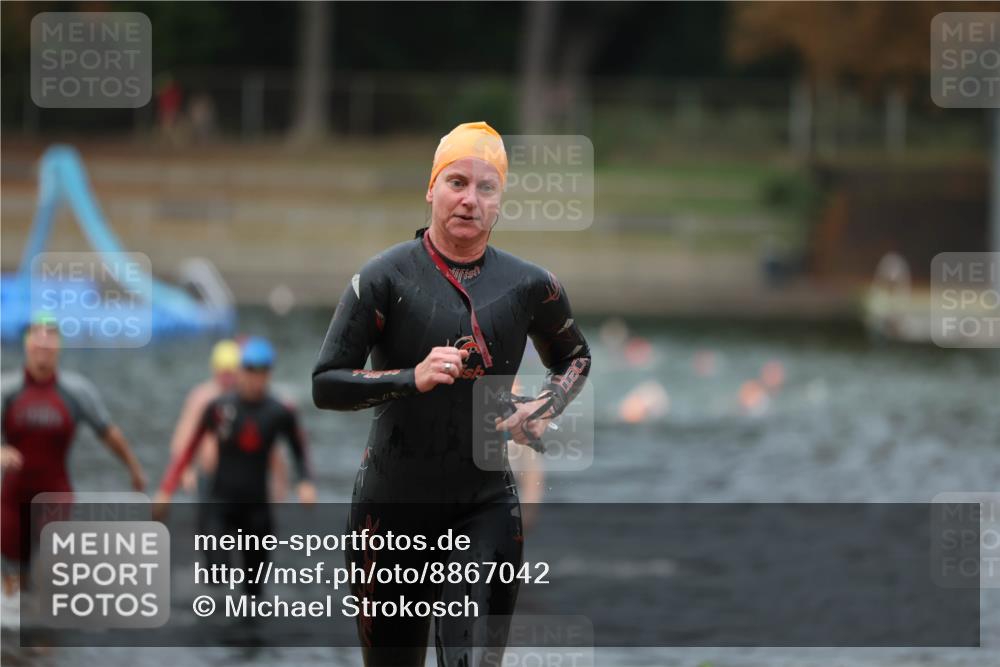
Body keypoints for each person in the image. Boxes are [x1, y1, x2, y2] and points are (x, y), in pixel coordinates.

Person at [312, 121, 591, 666]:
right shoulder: (383, 278)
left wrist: (546, 403)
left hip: (483, 506)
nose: (469, 199)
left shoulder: (530, 285)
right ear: (431, 189)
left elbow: (575, 357)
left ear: (500, 202)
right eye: (457, 182)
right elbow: (327, 384)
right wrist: (407, 378)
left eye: (486, 188)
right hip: (390, 514)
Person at [155, 336, 316, 595]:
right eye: (250, 370)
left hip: (256, 510)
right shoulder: (218, 407)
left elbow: (297, 450)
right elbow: (189, 447)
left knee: (253, 593)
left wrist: (305, 482)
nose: (256, 379)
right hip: (219, 505)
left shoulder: (279, 412)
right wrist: (167, 488)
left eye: (262, 372)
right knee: (216, 581)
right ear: (241, 371)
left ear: (270, 374)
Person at [1, 315, 147, 597]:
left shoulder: (76, 391)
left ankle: (46, 638)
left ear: (59, 346)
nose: (44, 343)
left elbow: (109, 433)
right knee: (12, 584)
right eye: (37, 336)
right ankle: (10, 638)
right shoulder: (7, 390)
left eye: (51, 336)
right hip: (11, 498)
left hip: (55, 492)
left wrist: (134, 469)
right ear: (27, 344)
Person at [168, 339, 289, 502]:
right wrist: (185, 472)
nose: (227, 379)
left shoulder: (249, 400)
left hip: (246, 479)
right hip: (210, 476)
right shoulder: (203, 397)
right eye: (223, 373)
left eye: (231, 373)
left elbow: (271, 445)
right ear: (214, 369)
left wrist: (279, 484)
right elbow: (184, 437)